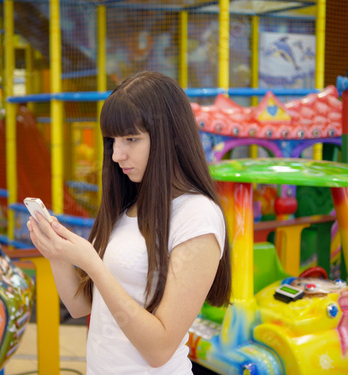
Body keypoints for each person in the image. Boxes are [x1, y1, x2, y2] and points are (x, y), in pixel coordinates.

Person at [27, 71, 231, 374]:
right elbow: (80, 305)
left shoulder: (197, 216)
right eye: (112, 141)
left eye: (131, 139)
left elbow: (159, 349)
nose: (116, 154)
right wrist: (57, 253)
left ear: (170, 136)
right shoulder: (127, 204)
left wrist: (93, 264)